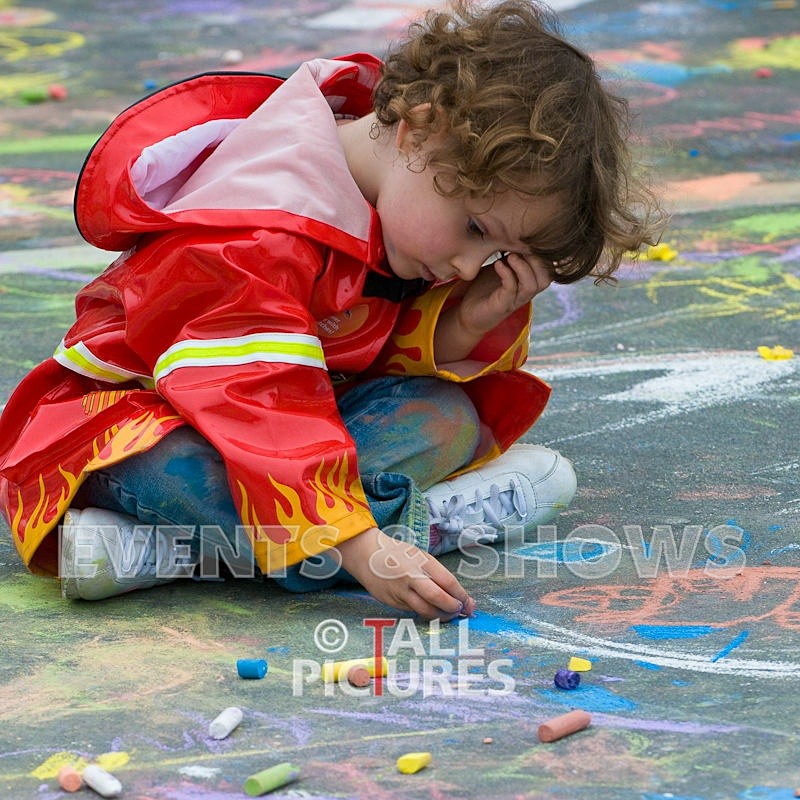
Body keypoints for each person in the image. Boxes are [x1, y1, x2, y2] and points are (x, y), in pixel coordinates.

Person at [0, 0, 663, 619]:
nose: (470, 265)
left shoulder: (397, 198)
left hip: (287, 431)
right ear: (417, 131)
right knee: (168, 469)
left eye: (496, 253)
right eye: (476, 229)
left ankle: (172, 553)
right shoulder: (256, 230)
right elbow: (260, 400)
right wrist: (359, 548)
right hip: (124, 429)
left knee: (444, 418)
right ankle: (416, 527)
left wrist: (462, 324)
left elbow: (347, 347)